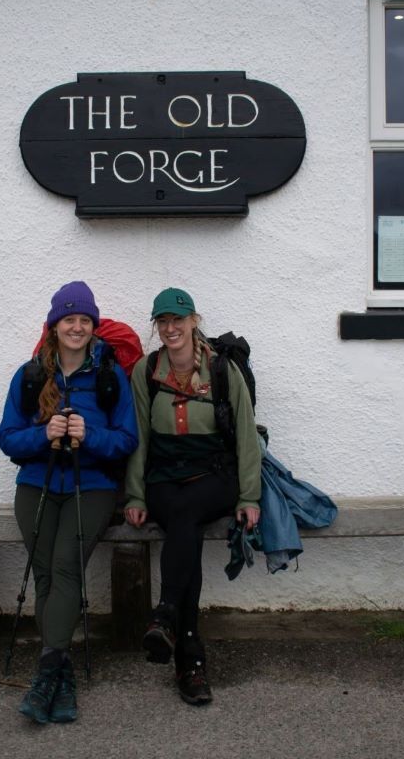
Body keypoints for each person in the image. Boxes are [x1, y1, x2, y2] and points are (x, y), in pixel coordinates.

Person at [0, 281, 138, 725]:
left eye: (84, 320)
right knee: (44, 577)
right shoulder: (31, 374)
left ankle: (46, 673)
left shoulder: (109, 376)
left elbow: (128, 439)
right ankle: (61, 675)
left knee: (64, 569)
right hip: (36, 485)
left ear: (93, 327)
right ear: (54, 326)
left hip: (90, 486)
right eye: (68, 319)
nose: (76, 327)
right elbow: (7, 437)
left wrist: (87, 436)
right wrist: (46, 434)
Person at [123, 287, 262, 705]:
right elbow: (139, 439)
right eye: (162, 322)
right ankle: (189, 658)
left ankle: (165, 612)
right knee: (184, 521)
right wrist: (135, 495)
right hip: (165, 476)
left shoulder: (222, 370)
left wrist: (249, 497)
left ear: (194, 321)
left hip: (214, 475)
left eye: (177, 320)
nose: (170, 328)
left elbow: (245, 435)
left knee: (186, 515)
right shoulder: (145, 371)